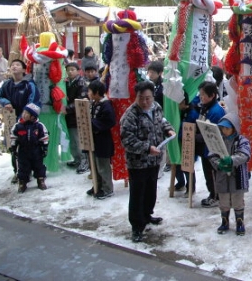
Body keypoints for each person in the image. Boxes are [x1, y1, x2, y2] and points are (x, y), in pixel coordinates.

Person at [120, 80, 175, 243]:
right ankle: (137, 226)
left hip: (154, 160)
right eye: (141, 98)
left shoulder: (156, 107)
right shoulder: (130, 115)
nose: (145, 102)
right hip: (138, 162)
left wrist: (168, 129)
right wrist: (147, 148)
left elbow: (162, 121)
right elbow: (127, 140)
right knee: (138, 193)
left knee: (151, 190)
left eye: (148, 98)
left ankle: (147, 215)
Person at [0, 59, 40, 182]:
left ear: (23, 69)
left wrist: (27, 111)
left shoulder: (29, 84)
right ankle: (17, 172)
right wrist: (6, 102)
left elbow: (34, 99)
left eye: (17, 65)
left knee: (29, 146)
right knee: (14, 146)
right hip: (12, 120)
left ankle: (31, 171)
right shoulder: (6, 85)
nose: (14, 67)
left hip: (27, 121)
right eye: (12, 65)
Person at [184, 81, 225, 207]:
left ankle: (216, 196)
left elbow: (211, 133)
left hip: (212, 149)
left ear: (212, 95)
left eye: (203, 95)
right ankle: (213, 194)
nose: (201, 97)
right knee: (208, 173)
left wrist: (196, 136)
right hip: (206, 149)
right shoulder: (206, 107)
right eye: (200, 94)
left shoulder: (216, 111)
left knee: (212, 173)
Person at [208, 113, 251, 236]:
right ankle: (224, 221)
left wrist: (231, 160)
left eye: (227, 128)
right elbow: (211, 155)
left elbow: (245, 155)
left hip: (237, 177)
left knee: (238, 201)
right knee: (224, 201)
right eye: (222, 128)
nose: (224, 130)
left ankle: (239, 222)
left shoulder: (242, 140)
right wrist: (219, 164)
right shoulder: (217, 139)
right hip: (222, 176)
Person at [86, 80, 116, 200]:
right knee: (94, 165)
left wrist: (92, 123)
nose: (88, 93)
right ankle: (97, 186)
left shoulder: (106, 105)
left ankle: (107, 188)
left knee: (103, 166)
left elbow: (109, 121)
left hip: (103, 140)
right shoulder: (94, 103)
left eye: (90, 91)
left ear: (97, 92)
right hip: (94, 140)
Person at [9, 103, 49, 193]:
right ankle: (22, 182)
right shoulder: (18, 126)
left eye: (27, 113)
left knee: (39, 166)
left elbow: (44, 137)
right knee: (23, 167)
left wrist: (45, 147)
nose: (24, 114)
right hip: (23, 150)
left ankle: (40, 180)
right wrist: (13, 147)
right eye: (24, 112)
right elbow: (13, 137)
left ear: (33, 117)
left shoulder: (39, 126)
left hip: (36, 150)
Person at [63, 62, 89, 173]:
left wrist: (67, 108)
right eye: (68, 70)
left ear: (78, 71)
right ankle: (77, 159)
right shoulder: (66, 82)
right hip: (69, 116)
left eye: (72, 69)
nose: (70, 72)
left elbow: (81, 100)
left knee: (79, 140)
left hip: (78, 115)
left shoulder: (81, 83)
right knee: (72, 141)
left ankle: (84, 161)